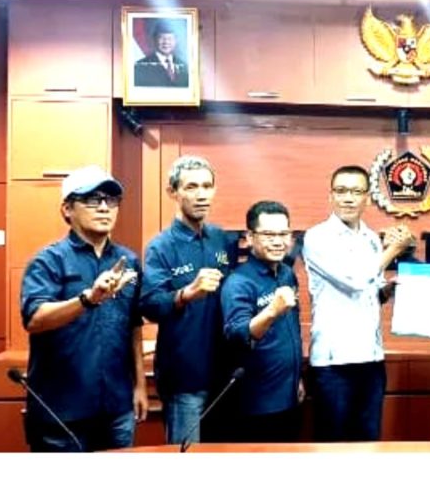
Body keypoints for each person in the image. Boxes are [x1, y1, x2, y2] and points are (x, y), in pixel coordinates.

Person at [19, 165, 148, 452]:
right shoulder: (48, 261)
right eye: (92, 199)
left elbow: (133, 326)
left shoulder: (128, 261)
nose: (104, 207)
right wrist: (87, 299)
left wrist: (139, 385)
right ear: (67, 209)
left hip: (117, 408)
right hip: (62, 411)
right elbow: (35, 319)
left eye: (111, 200)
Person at [301, 165, 415, 442]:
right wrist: (394, 250)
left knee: (368, 442)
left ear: (367, 198)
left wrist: (387, 290)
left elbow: (371, 289)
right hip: (333, 363)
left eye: (356, 192)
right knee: (333, 445)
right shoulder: (317, 237)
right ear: (330, 196)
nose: (348, 198)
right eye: (341, 191)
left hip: (371, 359)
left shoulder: (371, 238)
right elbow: (353, 279)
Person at [139, 155, 235, 445]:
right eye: (191, 187)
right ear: (173, 192)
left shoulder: (222, 239)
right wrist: (186, 293)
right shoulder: (161, 246)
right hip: (184, 377)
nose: (201, 194)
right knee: (187, 456)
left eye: (207, 186)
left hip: (224, 373)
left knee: (224, 457)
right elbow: (150, 305)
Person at [221, 201, 305, 442]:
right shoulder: (239, 283)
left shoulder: (287, 274)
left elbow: (292, 330)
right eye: (269, 235)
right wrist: (272, 311)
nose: (278, 242)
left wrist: (298, 377)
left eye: (283, 234)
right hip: (257, 404)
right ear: (249, 237)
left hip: (290, 396)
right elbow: (238, 335)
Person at [134, 20, 189, 88]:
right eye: (162, 38)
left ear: (176, 41)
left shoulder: (184, 66)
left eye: (170, 38)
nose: (166, 42)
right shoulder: (140, 66)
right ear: (154, 39)